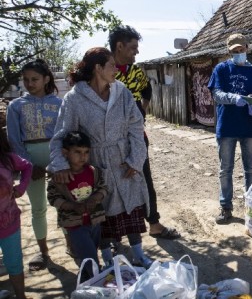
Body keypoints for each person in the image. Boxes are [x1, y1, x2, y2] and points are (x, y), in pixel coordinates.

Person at [47, 47, 153, 268]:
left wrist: (136, 159)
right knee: (102, 214)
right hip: (95, 164)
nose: (117, 69)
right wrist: (60, 165)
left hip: (124, 160)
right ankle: (108, 260)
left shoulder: (121, 91)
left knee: (131, 210)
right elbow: (61, 135)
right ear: (98, 68)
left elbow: (136, 125)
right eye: (112, 65)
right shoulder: (75, 99)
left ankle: (139, 255)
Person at [108, 25, 180, 239]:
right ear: (119, 46)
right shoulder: (102, 69)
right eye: (132, 48)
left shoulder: (135, 71)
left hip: (137, 136)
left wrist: (143, 110)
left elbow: (146, 89)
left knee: (144, 177)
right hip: (110, 139)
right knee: (112, 182)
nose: (136, 52)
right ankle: (113, 233)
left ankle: (154, 223)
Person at [6, 59, 62, 270]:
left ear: (46, 79)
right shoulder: (16, 106)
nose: (30, 83)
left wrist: (59, 162)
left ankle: (72, 244)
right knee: (38, 208)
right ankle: (43, 251)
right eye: (26, 79)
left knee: (62, 204)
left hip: (56, 158)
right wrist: (29, 165)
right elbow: (14, 139)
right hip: (29, 161)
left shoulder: (59, 103)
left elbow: (63, 135)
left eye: (35, 79)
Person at [207, 33, 252, 224]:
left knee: (251, 169)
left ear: (247, 48)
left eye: (241, 50)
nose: (239, 53)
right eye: (235, 51)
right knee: (226, 169)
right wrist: (233, 98)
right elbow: (216, 94)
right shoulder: (222, 68)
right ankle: (226, 207)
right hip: (227, 126)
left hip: (248, 127)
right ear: (229, 51)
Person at [47, 131, 107, 281]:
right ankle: (97, 279)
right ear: (65, 153)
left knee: (92, 249)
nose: (83, 157)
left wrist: (95, 198)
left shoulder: (93, 172)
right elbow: (53, 199)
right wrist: (72, 206)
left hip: (94, 221)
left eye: (86, 152)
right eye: (78, 152)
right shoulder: (59, 177)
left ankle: (87, 276)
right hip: (74, 224)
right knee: (89, 254)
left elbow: (103, 188)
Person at [0, 129, 33, 299]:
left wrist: (21, 188)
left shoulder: (7, 159)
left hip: (9, 224)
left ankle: (21, 296)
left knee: (14, 264)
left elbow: (27, 166)